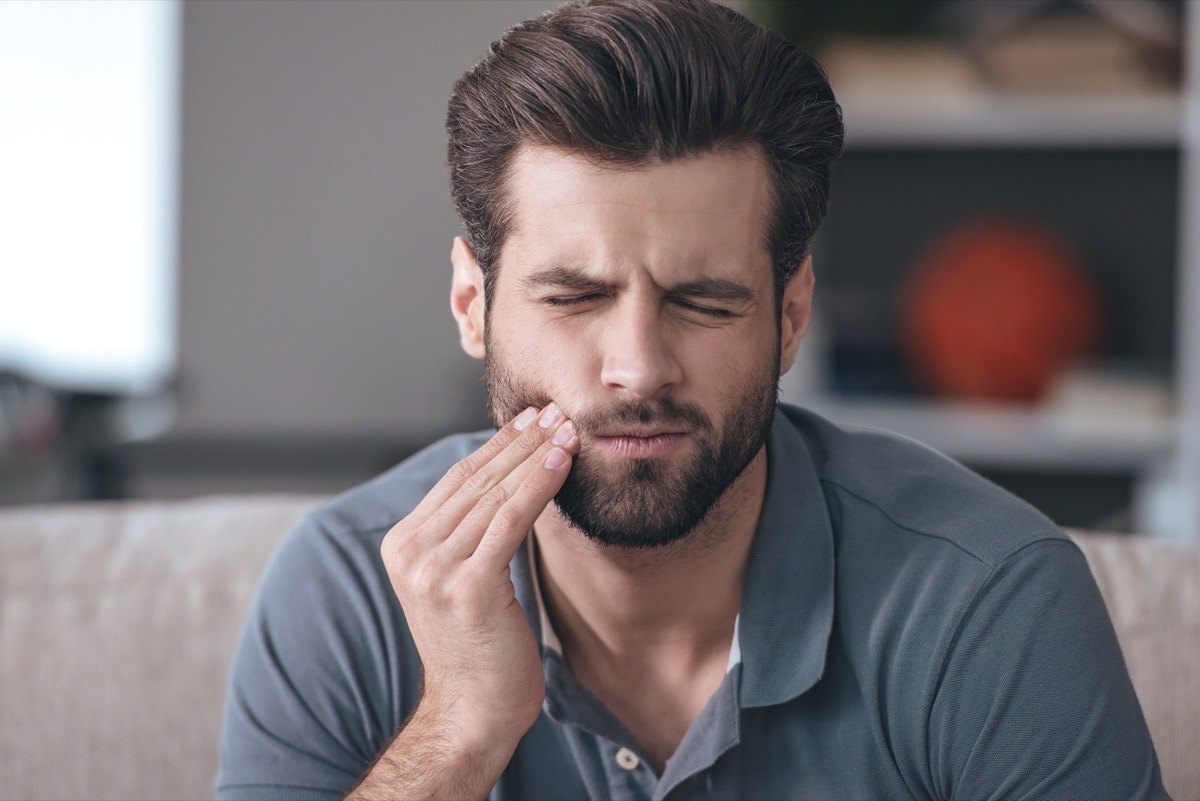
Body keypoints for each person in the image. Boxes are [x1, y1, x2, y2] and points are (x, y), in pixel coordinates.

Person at [215, 1, 1168, 799]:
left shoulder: (984, 596)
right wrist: (460, 732)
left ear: (792, 317)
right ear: (474, 305)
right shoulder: (346, 588)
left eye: (703, 302)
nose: (637, 368)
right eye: (574, 297)